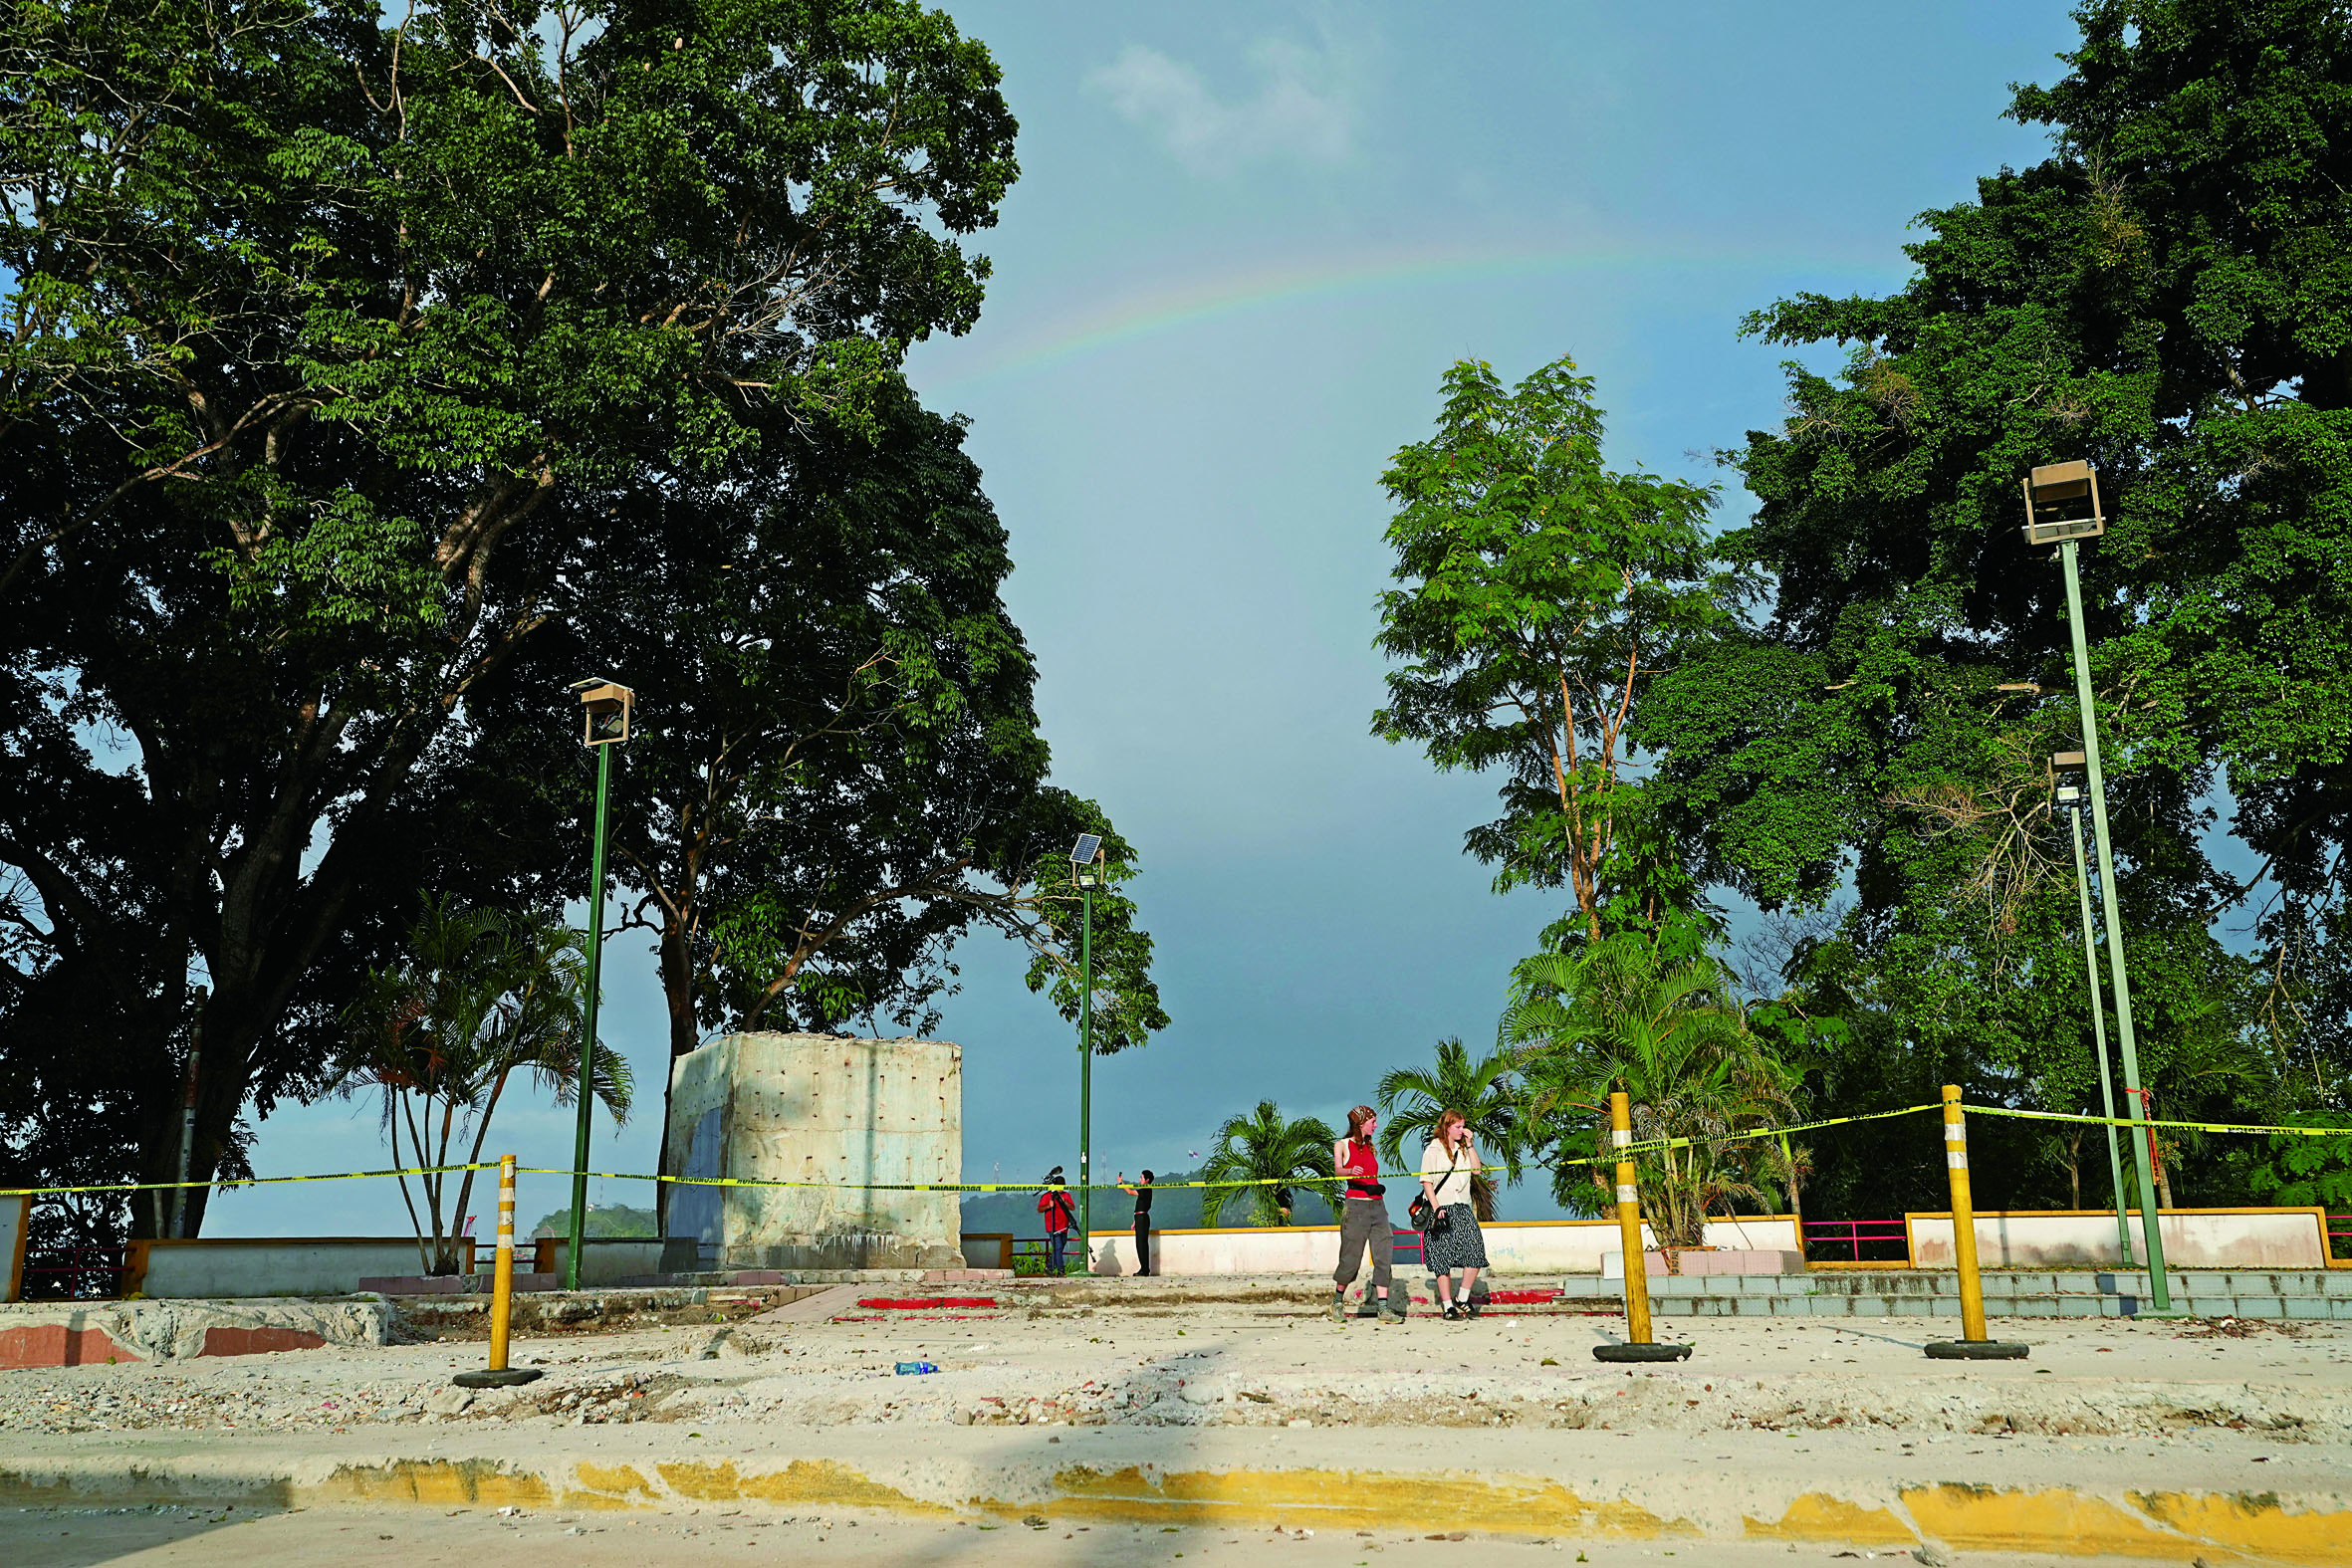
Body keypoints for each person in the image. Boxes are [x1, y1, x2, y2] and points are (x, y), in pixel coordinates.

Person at [1330, 1105, 1406, 1324]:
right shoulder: (1342, 1145)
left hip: (1377, 1206)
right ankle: (1337, 1301)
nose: (1376, 1125)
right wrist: (1349, 1171)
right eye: (1372, 1121)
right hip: (1356, 1207)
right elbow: (1337, 1170)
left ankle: (1383, 1308)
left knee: (1384, 1255)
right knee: (1350, 1258)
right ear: (1360, 1122)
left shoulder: (1370, 1147)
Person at [1418, 1109, 1490, 1321]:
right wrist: (1437, 1207)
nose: (1461, 1130)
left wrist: (1470, 1143)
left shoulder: (1463, 1149)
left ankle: (1463, 1296)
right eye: (1458, 1127)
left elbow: (1476, 1171)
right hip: (1441, 1207)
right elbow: (1426, 1181)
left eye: (1463, 1126)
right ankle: (1447, 1305)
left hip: (1462, 1206)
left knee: (1475, 1252)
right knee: (1442, 1258)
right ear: (1447, 1127)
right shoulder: (1433, 1149)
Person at [1038, 1168, 1076, 1275]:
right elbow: (1039, 1209)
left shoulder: (1066, 1195)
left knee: (1059, 1248)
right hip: (1052, 1226)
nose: (1061, 1189)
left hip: (1064, 1226)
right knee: (1058, 1247)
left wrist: (1065, 1203)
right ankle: (1061, 1270)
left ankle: (1049, 1267)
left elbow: (1073, 1207)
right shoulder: (1047, 1196)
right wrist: (1048, 1206)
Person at [1118, 1170, 1155, 1276]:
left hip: (1142, 1218)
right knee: (1140, 1244)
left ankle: (1145, 1269)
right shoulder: (1144, 1190)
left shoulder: (1146, 1189)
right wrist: (1135, 1221)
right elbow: (1141, 1206)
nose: (1140, 1179)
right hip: (1139, 1218)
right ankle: (1144, 1268)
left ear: (1147, 1180)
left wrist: (1121, 1183)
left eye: (1141, 1178)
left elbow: (1130, 1192)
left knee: (1141, 1244)